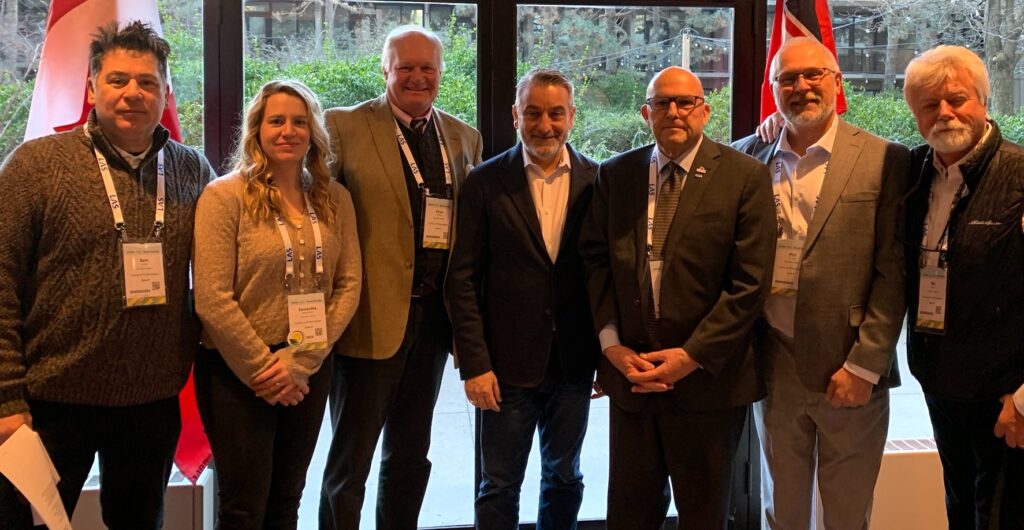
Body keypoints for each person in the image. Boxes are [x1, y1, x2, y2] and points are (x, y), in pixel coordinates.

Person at [0, 21, 215, 528]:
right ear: (92, 87)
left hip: (152, 403)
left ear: (165, 92)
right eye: (117, 80)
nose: (132, 93)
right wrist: (7, 398)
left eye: (146, 82)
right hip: (50, 402)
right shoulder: (36, 166)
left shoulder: (192, 170)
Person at [579, 66, 776, 530]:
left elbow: (749, 284)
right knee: (629, 515)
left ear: (705, 111)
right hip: (632, 377)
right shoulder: (617, 174)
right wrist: (612, 348)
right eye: (662, 103)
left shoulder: (745, 177)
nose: (674, 111)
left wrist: (689, 357)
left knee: (704, 515)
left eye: (685, 102)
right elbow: (595, 263)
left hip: (708, 383)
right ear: (646, 113)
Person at [733, 37, 909, 530]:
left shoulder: (883, 159)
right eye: (787, 79)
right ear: (773, 90)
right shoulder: (748, 157)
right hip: (774, 365)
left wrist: (865, 364)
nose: (802, 86)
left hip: (848, 369)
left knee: (847, 514)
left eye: (814, 75)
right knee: (780, 509)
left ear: (836, 81)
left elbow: (892, 270)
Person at [318, 25, 483, 530]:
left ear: (439, 73)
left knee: (412, 454)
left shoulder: (463, 136)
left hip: (434, 320)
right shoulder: (342, 126)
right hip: (367, 318)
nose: (416, 77)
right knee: (351, 462)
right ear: (385, 70)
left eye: (426, 68)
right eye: (404, 67)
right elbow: (321, 217)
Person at [193, 80, 361, 529]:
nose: (288, 131)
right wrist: (264, 371)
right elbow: (212, 297)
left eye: (299, 122)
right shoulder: (224, 197)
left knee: (287, 500)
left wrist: (301, 362)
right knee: (244, 507)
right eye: (277, 121)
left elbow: (348, 286)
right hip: (236, 372)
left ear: (313, 132)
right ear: (257, 130)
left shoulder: (334, 199)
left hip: (308, 366)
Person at [446, 68, 600, 529]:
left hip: (574, 365)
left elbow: (607, 275)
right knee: (498, 483)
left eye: (556, 113)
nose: (545, 124)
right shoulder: (485, 182)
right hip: (504, 368)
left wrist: (607, 355)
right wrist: (474, 364)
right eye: (533, 113)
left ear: (572, 116)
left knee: (565, 476)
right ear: (516, 115)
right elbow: (462, 280)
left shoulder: (598, 181)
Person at [902, 45, 1024, 530]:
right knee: (960, 508)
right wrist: (776, 128)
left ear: (983, 100)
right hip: (940, 381)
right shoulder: (912, 172)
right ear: (915, 114)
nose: (945, 113)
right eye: (929, 105)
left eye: (957, 99)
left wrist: (1023, 396)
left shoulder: (1019, 175)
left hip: (1005, 396)